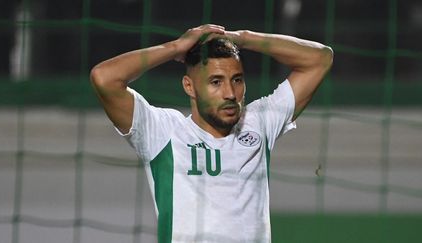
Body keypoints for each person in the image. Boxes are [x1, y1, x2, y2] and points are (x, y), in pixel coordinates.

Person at [90, 24, 333, 243]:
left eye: (237, 80)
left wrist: (242, 38)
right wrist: (176, 47)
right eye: (216, 82)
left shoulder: (259, 123)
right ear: (189, 86)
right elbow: (104, 78)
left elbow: (319, 58)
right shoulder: (163, 132)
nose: (230, 93)